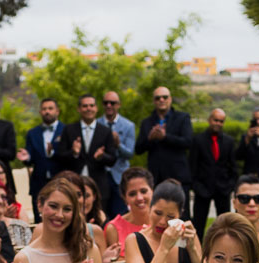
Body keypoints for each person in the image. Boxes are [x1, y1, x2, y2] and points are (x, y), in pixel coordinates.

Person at [54, 94, 117, 211]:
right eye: (85, 106)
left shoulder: (106, 131)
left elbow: (113, 159)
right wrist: (74, 153)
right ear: (79, 109)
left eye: (92, 105)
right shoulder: (69, 129)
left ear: (96, 108)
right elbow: (60, 156)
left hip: (99, 186)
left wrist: (102, 156)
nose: (88, 108)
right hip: (73, 184)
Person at [135, 86, 192, 213]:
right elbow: (138, 149)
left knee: (182, 214)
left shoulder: (182, 118)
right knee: (156, 214)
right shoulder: (147, 122)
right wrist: (150, 139)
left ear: (170, 99)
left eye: (165, 97)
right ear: (154, 101)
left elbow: (188, 142)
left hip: (178, 176)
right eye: (157, 98)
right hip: (155, 178)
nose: (161, 100)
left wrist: (165, 137)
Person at [190, 108, 237, 237]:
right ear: (210, 120)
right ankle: (196, 253)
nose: (218, 123)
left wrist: (229, 187)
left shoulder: (229, 141)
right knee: (198, 226)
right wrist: (196, 187)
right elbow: (192, 166)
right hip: (202, 190)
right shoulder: (198, 140)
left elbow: (233, 167)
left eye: (221, 121)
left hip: (222, 190)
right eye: (216, 120)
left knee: (225, 226)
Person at [16, 97, 63, 221]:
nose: (47, 111)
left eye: (50, 108)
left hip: (60, 181)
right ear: (40, 112)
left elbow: (68, 156)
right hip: (38, 183)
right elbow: (30, 157)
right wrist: (27, 157)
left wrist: (52, 152)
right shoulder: (32, 133)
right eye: (44, 109)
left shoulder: (66, 130)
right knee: (39, 218)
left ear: (57, 111)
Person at [97, 90, 136, 218]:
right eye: (106, 102)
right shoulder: (96, 125)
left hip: (119, 176)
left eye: (112, 103)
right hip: (100, 175)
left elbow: (130, 153)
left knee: (120, 214)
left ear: (118, 105)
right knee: (101, 214)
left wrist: (118, 144)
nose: (109, 105)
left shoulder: (128, 125)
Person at [103, 166, 153, 261]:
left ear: (152, 191)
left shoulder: (163, 222)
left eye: (143, 191)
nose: (139, 197)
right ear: (124, 198)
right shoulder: (113, 228)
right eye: (132, 194)